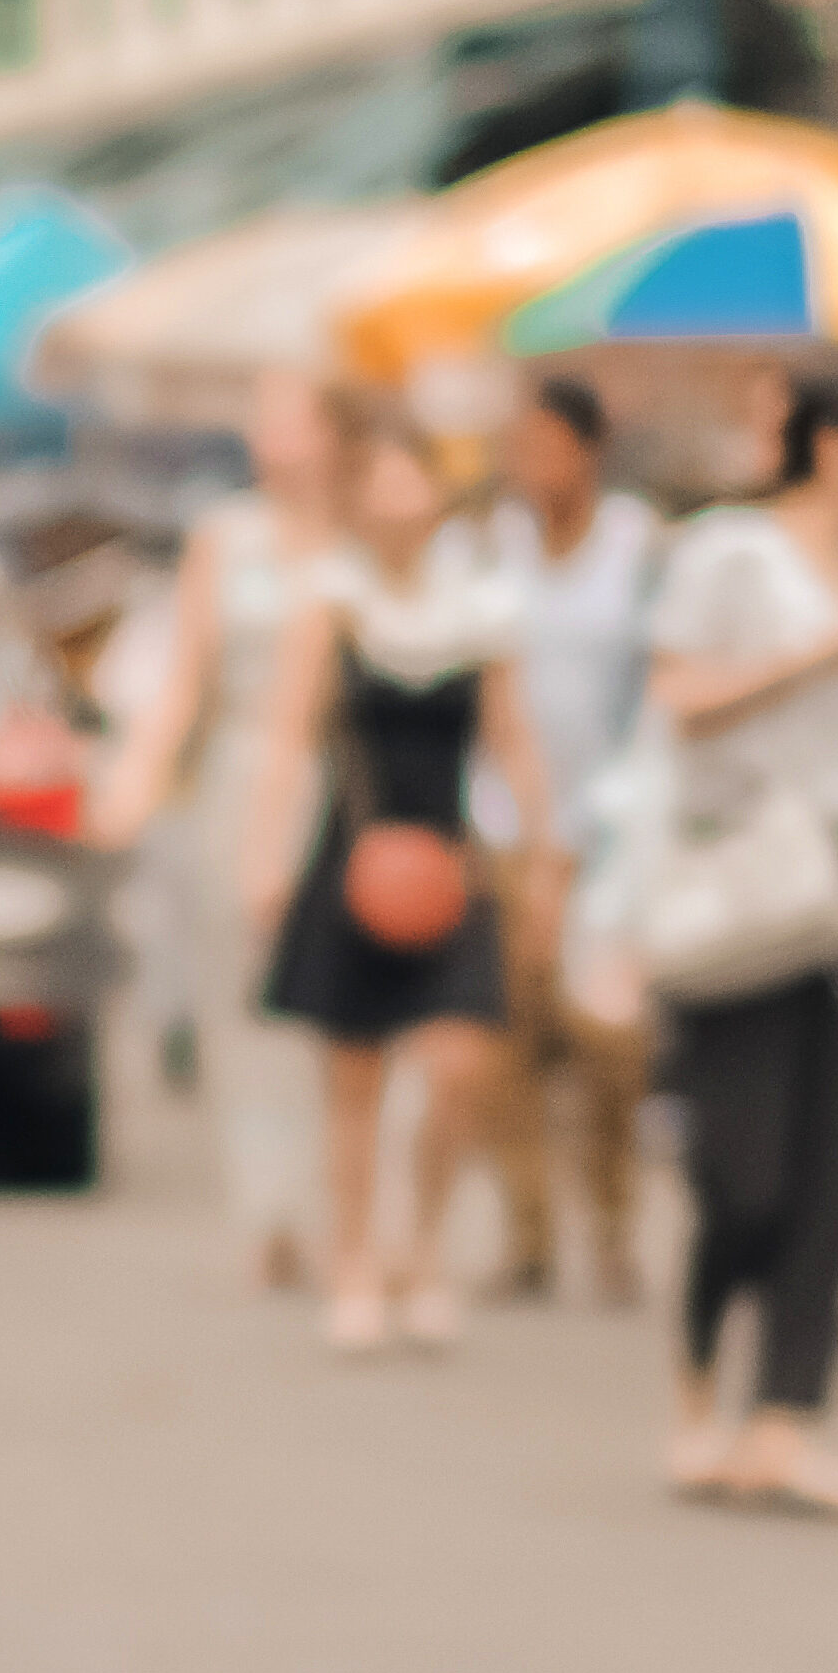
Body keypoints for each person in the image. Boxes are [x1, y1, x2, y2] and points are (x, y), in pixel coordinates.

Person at [642, 364, 838, 1519]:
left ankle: (786, 1417)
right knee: (743, 1169)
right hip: (751, 869)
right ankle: (696, 1384)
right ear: (832, 443)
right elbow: (677, 697)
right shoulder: (730, 554)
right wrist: (813, 657)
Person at [239, 397, 546, 1352]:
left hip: (450, 855)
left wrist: (542, 852)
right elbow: (288, 739)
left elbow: (512, 739)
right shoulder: (331, 605)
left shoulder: (478, 609)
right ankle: (356, 1261)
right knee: (355, 1078)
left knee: (457, 1065)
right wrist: (267, 856)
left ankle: (423, 1247)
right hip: (354, 855)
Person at [92, 363, 349, 1289]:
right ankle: (270, 1204)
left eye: (291, 421)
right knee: (247, 1003)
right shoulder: (224, 537)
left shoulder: (368, 534)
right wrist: (136, 778)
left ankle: (342, 1204)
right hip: (241, 776)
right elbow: (185, 681)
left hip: (344, 779)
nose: (271, 441)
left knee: (343, 1010)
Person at [478, 372, 659, 1305]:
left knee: (609, 1042)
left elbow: (655, 694)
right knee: (508, 1037)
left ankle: (615, 1225)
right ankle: (526, 1232)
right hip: (507, 823)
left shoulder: (637, 547)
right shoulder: (491, 548)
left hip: (612, 831)